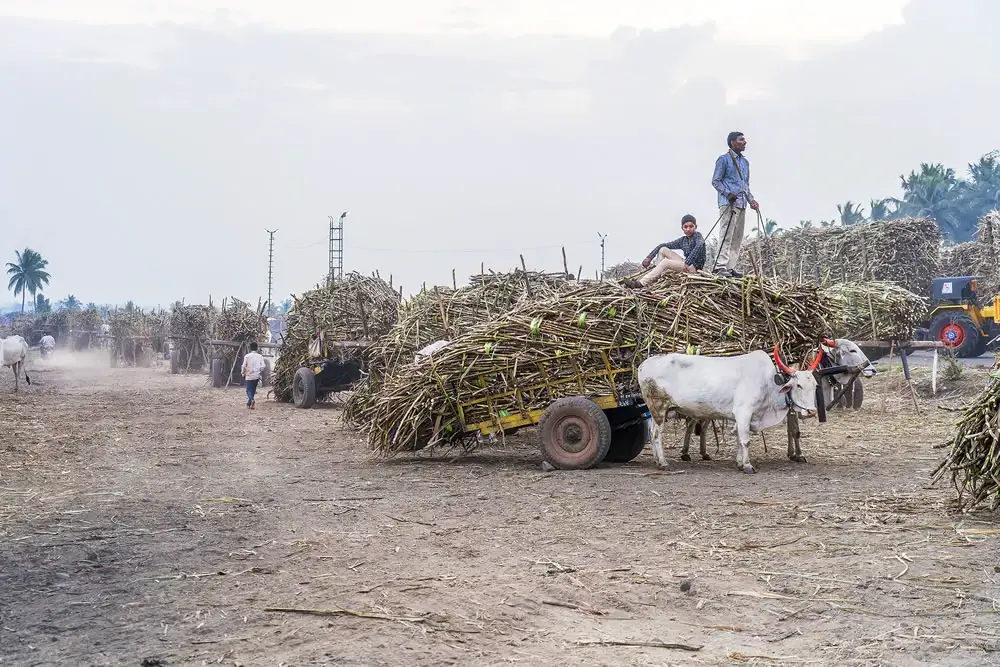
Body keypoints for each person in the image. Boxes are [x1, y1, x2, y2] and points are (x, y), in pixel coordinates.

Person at [711, 131, 759, 277]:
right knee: (726, 234)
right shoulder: (723, 159)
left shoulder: (745, 162)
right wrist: (727, 193)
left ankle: (730, 267)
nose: (744, 142)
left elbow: (745, 185)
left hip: (742, 203)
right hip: (728, 203)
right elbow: (716, 181)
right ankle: (719, 267)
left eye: (744, 140)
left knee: (737, 237)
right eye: (741, 140)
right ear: (733, 142)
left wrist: (752, 200)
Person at [624, 215, 705, 288]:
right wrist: (649, 257)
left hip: (694, 269)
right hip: (686, 265)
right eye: (685, 227)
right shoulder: (683, 240)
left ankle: (641, 283)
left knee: (665, 262)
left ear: (695, 227)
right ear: (682, 228)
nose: (688, 229)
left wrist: (687, 263)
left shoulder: (697, 236)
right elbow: (663, 245)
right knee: (663, 249)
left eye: (691, 226)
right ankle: (656, 276)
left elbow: (699, 245)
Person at [241, 342, 266, 409]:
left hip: (249, 375)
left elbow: (243, 366)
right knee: (253, 390)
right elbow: (263, 366)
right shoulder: (260, 356)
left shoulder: (247, 356)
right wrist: (259, 371)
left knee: (248, 390)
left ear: (250, 348)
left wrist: (243, 373)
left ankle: (251, 400)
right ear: (257, 348)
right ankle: (249, 403)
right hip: (256, 376)